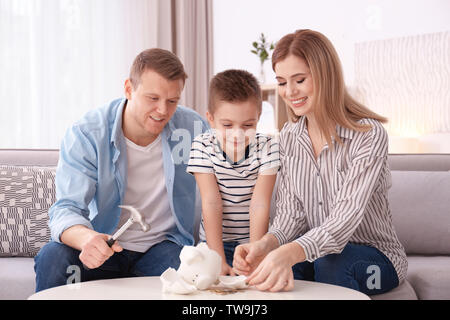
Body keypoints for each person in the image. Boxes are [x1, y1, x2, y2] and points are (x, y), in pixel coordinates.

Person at [233, 29, 408, 295]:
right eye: (281, 82)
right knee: (269, 271)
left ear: (325, 75)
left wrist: (290, 252)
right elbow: (291, 215)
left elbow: (343, 220)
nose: (290, 92)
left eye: (299, 80)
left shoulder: (368, 136)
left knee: (331, 264)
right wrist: (267, 244)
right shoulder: (289, 137)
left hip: (376, 259)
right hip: (316, 253)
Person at [34, 48, 209, 292]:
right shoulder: (88, 133)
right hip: (105, 246)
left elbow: (228, 172)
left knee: (193, 269)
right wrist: (88, 240)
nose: (163, 111)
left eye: (172, 101)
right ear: (129, 89)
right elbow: (66, 208)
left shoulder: (193, 128)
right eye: (153, 98)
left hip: (163, 248)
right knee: (53, 257)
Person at [186, 69, 280, 276]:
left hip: (255, 243)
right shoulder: (202, 146)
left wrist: (254, 254)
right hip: (213, 244)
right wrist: (216, 257)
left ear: (258, 117)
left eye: (248, 125)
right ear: (210, 119)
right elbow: (211, 202)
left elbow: (260, 203)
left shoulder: (269, 147)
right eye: (227, 125)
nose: (237, 134)